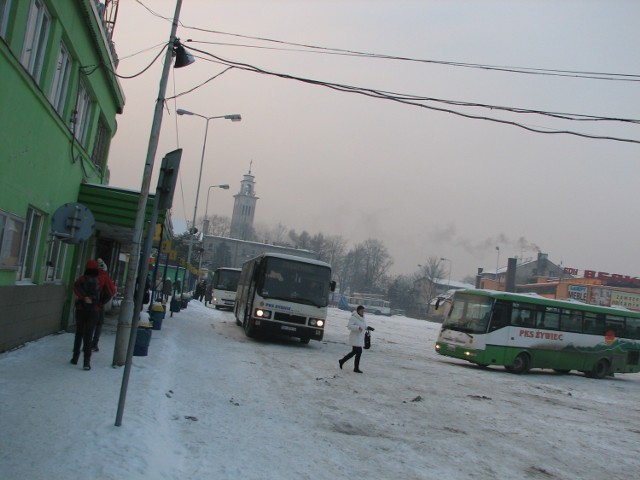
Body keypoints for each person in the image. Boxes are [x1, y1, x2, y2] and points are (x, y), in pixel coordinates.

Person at [71, 259, 114, 371]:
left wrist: (84, 297)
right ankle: (86, 363)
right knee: (88, 335)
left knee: (79, 333)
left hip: (81, 309)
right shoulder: (102, 279)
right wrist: (100, 303)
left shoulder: (81, 279)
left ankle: (75, 358)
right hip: (94, 310)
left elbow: (75, 287)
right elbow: (111, 292)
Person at [91, 258, 116, 352]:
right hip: (99, 305)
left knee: (88, 324)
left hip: (87, 305)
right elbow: (112, 290)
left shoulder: (89, 276)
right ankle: (94, 343)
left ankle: (86, 342)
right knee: (98, 324)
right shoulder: (105, 277)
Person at [338, 305, 368, 373]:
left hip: (359, 338)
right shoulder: (353, 317)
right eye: (361, 311)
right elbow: (349, 326)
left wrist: (368, 327)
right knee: (358, 351)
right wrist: (357, 328)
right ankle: (355, 368)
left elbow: (364, 326)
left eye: (363, 311)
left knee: (355, 352)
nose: (363, 312)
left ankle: (343, 361)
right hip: (355, 337)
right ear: (358, 311)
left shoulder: (362, 318)